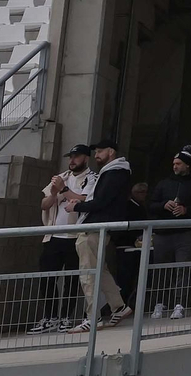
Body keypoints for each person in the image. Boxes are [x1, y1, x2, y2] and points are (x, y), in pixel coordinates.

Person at [61, 139, 135, 331]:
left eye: (100, 151)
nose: (96, 155)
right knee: (99, 270)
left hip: (94, 227)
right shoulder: (115, 172)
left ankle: (93, 317)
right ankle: (119, 306)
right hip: (98, 226)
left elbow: (101, 202)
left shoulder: (114, 173)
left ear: (111, 151)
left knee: (88, 273)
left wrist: (77, 206)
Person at [30, 143, 95, 334]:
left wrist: (64, 189)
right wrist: (53, 193)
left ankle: (66, 317)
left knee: (72, 280)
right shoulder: (62, 177)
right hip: (54, 235)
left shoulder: (91, 178)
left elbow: (86, 199)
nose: (72, 160)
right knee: (47, 277)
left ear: (86, 158)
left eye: (77, 156)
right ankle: (50, 317)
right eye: (70, 157)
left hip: (76, 236)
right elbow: (44, 204)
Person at [147, 145, 191, 320]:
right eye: (174, 163)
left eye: (178, 163)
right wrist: (163, 205)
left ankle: (179, 304)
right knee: (161, 270)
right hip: (163, 233)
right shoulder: (164, 183)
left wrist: (186, 210)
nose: (175, 166)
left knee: (183, 269)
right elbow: (151, 205)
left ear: (187, 165)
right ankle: (159, 303)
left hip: (186, 233)